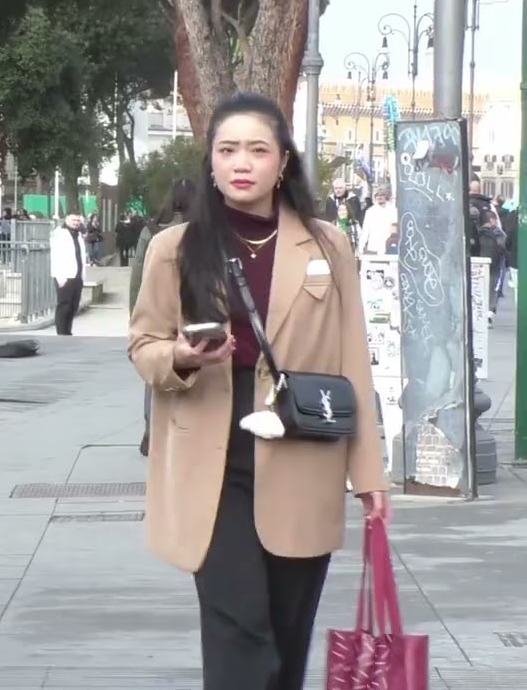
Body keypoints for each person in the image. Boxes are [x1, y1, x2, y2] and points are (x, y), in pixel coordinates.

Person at [128, 92, 389, 690]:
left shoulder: (328, 245)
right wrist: (183, 357)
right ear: (211, 164)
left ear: (283, 163)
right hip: (211, 460)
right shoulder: (176, 248)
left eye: (256, 149)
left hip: (303, 449)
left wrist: (369, 475)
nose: (241, 162)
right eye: (227, 150)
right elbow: (144, 344)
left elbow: (354, 360)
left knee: (287, 637)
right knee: (241, 634)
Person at [129, 179, 193, 457]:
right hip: (191, 310)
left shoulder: (151, 231)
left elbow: (137, 278)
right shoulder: (204, 231)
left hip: (157, 305)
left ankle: (150, 432)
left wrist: (136, 318)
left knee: (154, 372)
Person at [49, 212, 87, 335]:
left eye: (77, 220)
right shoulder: (59, 234)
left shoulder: (79, 234)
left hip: (77, 275)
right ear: (66, 220)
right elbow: (55, 256)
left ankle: (68, 331)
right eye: (73, 220)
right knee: (64, 305)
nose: (76, 223)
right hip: (65, 275)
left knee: (73, 305)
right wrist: (59, 276)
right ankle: (61, 332)